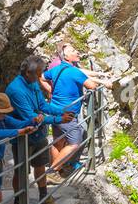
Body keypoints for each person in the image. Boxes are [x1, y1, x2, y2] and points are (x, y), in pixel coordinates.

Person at [4, 55, 70, 204]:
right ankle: (19, 203)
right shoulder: (15, 90)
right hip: (23, 137)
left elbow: (41, 105)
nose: (40, 77)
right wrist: (58, 118)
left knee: (40, 165)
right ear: (28, 72)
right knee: (21, 171)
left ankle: (43, 198)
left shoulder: (32, 82)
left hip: (38, 134)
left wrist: (61, 110)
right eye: (38, 73)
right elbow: (31, 117)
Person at [43, 44, 115, 175]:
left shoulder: (56, 69)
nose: (77, 52)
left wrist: (50, 90)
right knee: (75, 142)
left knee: (58, 142)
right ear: (66, 56)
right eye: (73, 51)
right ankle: (52, 172)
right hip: (68, 114)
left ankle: (57, 169)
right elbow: (91, 86)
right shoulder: (74, 71)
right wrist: (102, 82)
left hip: (54, 110)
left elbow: (41, 77)